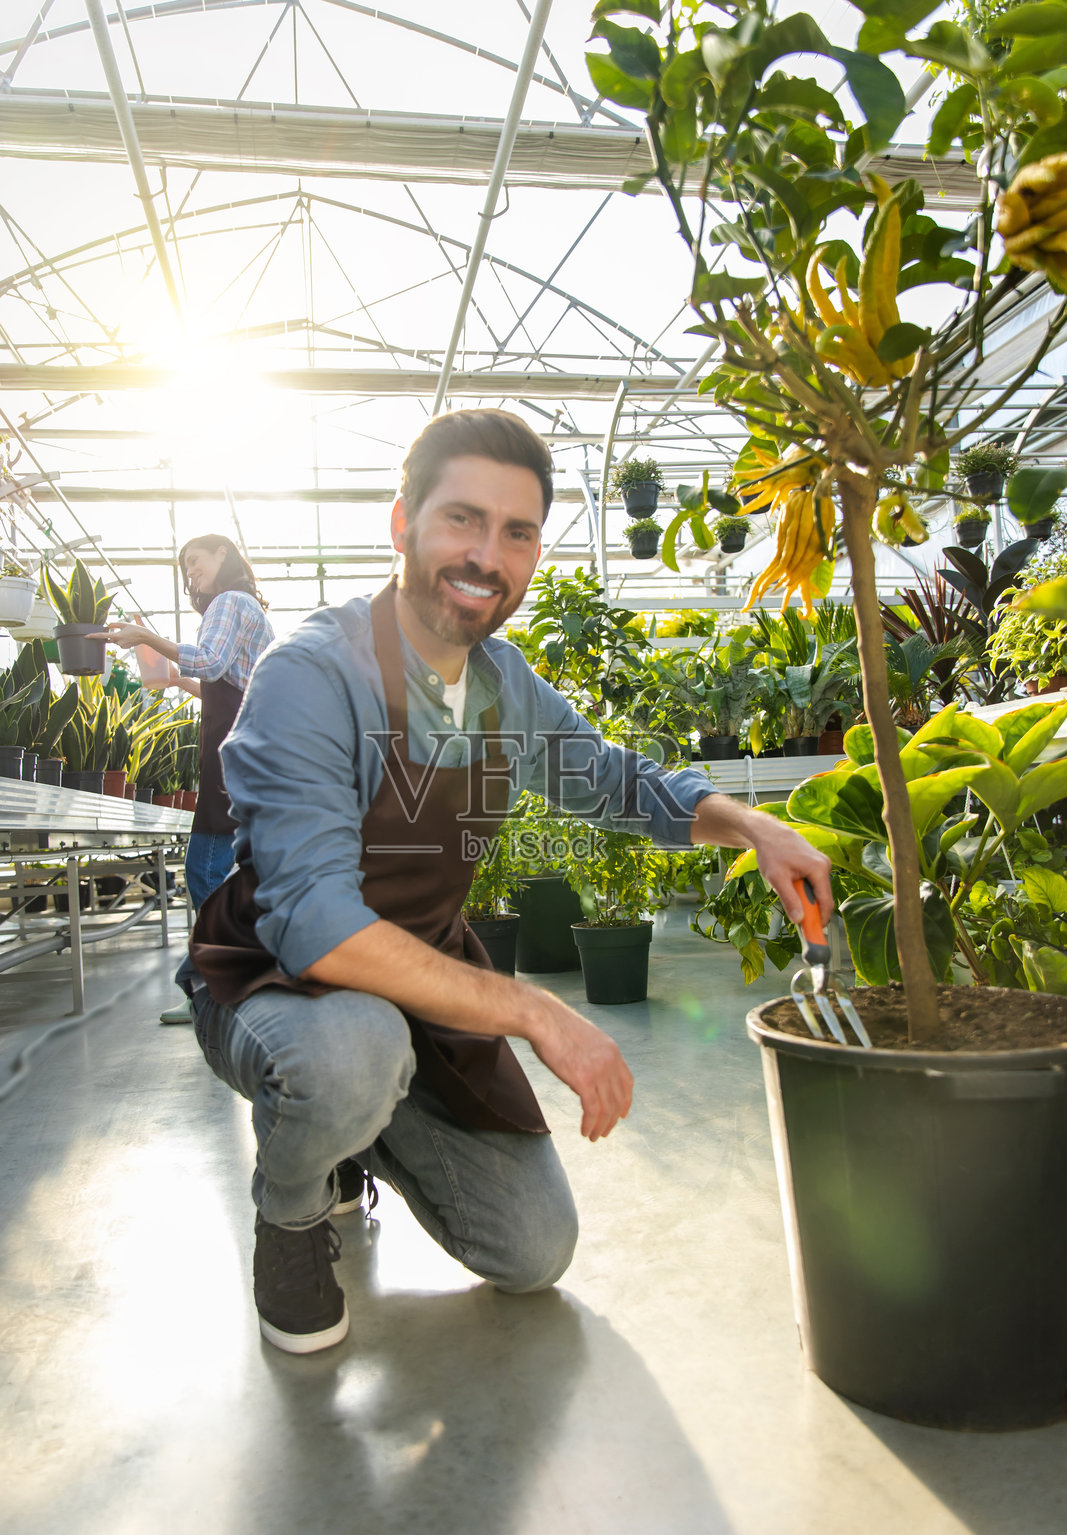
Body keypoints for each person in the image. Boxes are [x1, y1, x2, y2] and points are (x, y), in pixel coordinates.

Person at [183, 410, 833, 1356]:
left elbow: (614, 781)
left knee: (533, 1250)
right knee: (349, 1056)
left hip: (422, 985)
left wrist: (749, 824)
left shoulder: (502, 685)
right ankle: (290, 1207)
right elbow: (317, 923)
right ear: (402, 523)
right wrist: (532, 1009)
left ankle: (348, 1133)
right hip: (273, 980)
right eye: (462, 519)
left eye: (517, 532)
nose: (487, 557)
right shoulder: (311, 675)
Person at [93, 536, 274, 1022]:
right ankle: (220, 981)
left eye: (195, 560)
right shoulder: (243, 605)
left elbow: (211, 661)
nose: (190, 572)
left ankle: (216, 988)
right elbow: (229, 681)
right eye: (185, 567)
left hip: (234, 753)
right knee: (228, 869)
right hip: (249, 748)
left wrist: (146, 636)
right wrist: (176, 680)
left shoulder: (228, 601)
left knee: (206, 870)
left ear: (222, 554)